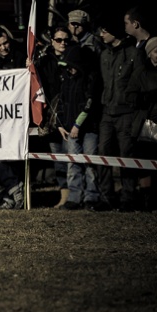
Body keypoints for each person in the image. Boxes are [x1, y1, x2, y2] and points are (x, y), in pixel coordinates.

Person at [95, 14, 143, 212]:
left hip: (126, 112)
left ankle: (128, 198)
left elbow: (138, 83)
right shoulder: (104, 54)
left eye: (104, 30)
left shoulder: (133, 53)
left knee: (126, 156)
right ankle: (106, 197)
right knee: (102, 153)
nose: (101, 34)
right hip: (107, 112)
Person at [0, 25, 27, 210]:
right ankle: (13, 188)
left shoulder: (20, 55)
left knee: (14, 156)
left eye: (5, 43)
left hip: (17, 116)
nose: (3, 48)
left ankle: (12, 195)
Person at [54, 45, 102, 210]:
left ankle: (92, 197)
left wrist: (77, 125)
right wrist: (60, 124)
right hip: (70, 130)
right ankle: (74, 198)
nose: (69, 69)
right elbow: (61, 102)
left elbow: (89, 105)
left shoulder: (91, 78)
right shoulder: (66, 79)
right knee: (73, 164)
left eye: (72, 66)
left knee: (90, 163)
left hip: (89, 129)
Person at [34, 26, 73, 208]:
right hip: (52, 118)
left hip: (72, 116)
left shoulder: (75, 57)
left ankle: (76, 196)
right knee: (58, 159)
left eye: (66, 40)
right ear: (52, 41)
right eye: (58, 40)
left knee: (73, 159)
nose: (62, 43)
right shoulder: (44, 61)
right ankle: (64, 195)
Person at [126, 36, 157, 211]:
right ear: (149, 53)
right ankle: (146, 200)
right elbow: (129, 96)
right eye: (156, 51)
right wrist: (145, 96)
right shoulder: (140, 72)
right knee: (145, 164)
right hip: (145, 126)